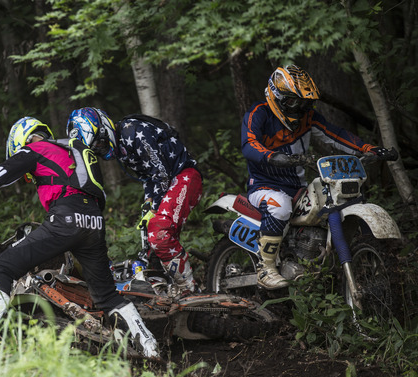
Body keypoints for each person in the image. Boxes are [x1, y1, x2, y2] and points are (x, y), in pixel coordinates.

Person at [0, 116, 159, 358]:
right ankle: (151, 347)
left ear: (22, 140)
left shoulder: (35, 148)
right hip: (94, 223)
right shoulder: (74, 150)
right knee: (107, 296)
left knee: (2, 268)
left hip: (66, 220)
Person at [241, 64, 392, 290]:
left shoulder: (307, 118)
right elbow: (248, 144)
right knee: (280, 206)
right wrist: (272, 156)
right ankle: (266, 269)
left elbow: (336, 135)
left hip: (297, 186)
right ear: (277, 96)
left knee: (333, 201)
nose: (300, 109)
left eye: (305, 103)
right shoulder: (259, 114)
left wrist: (370, 148)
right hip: (264, 186)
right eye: (293, 102)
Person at [67, 108, 204, 298]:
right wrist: (149, 203)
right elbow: (149, 177)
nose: (100, 148)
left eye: (99, 142)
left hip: (184, 176)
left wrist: (154, 206)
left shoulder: (133, 131)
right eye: (95, 148)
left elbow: (162, 172)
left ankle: (190, 290)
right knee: (150, 243)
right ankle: (165, 291)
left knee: (159, 233)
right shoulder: (122, 145)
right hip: (168, 184)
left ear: (105, 128)